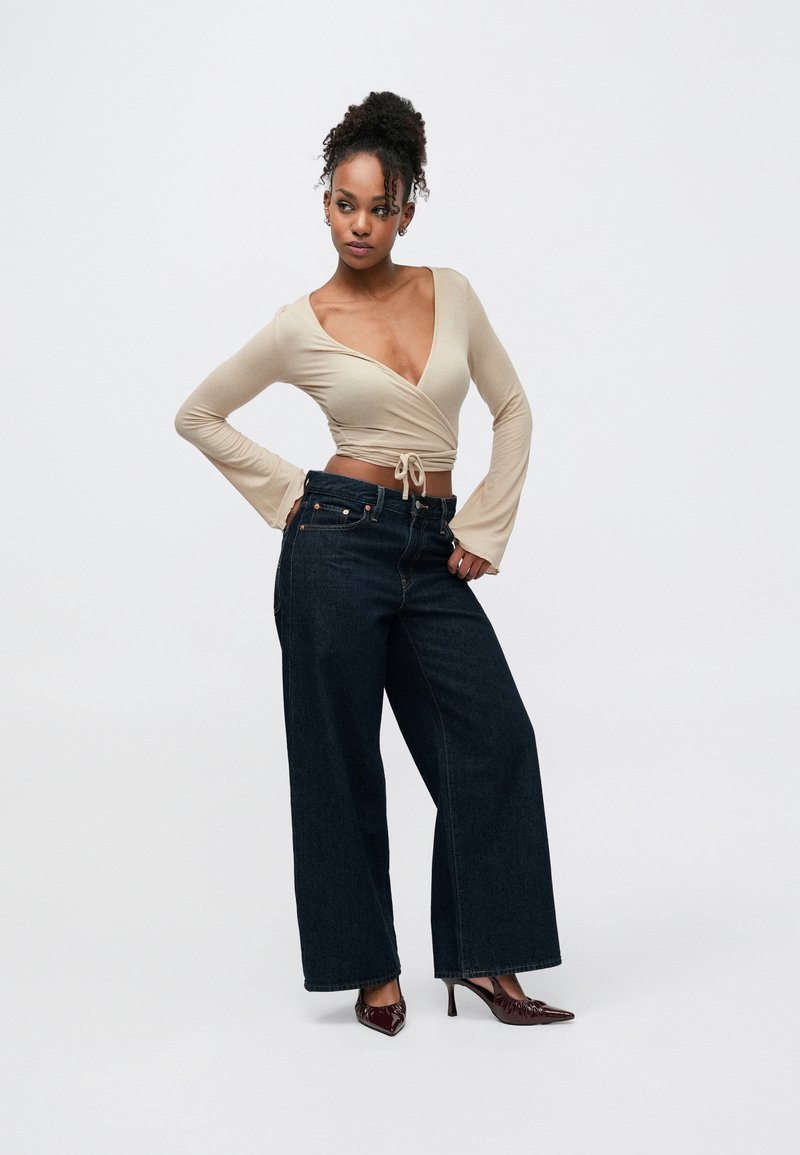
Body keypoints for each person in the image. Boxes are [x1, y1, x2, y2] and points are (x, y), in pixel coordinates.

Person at [174, 91, 574, 1036]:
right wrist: (293, 495)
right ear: (325, 204)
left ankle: (484, 956)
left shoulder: (452, 292)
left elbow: (513, 408)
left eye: (379, 207)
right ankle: (369, 969)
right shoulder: (300, 323)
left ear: (406, 212)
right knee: (339, 759)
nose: (360, 224)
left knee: (495, 738)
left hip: (433, 547)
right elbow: (199, 413)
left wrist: (485, 524)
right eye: (344, 203)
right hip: (335, 546)